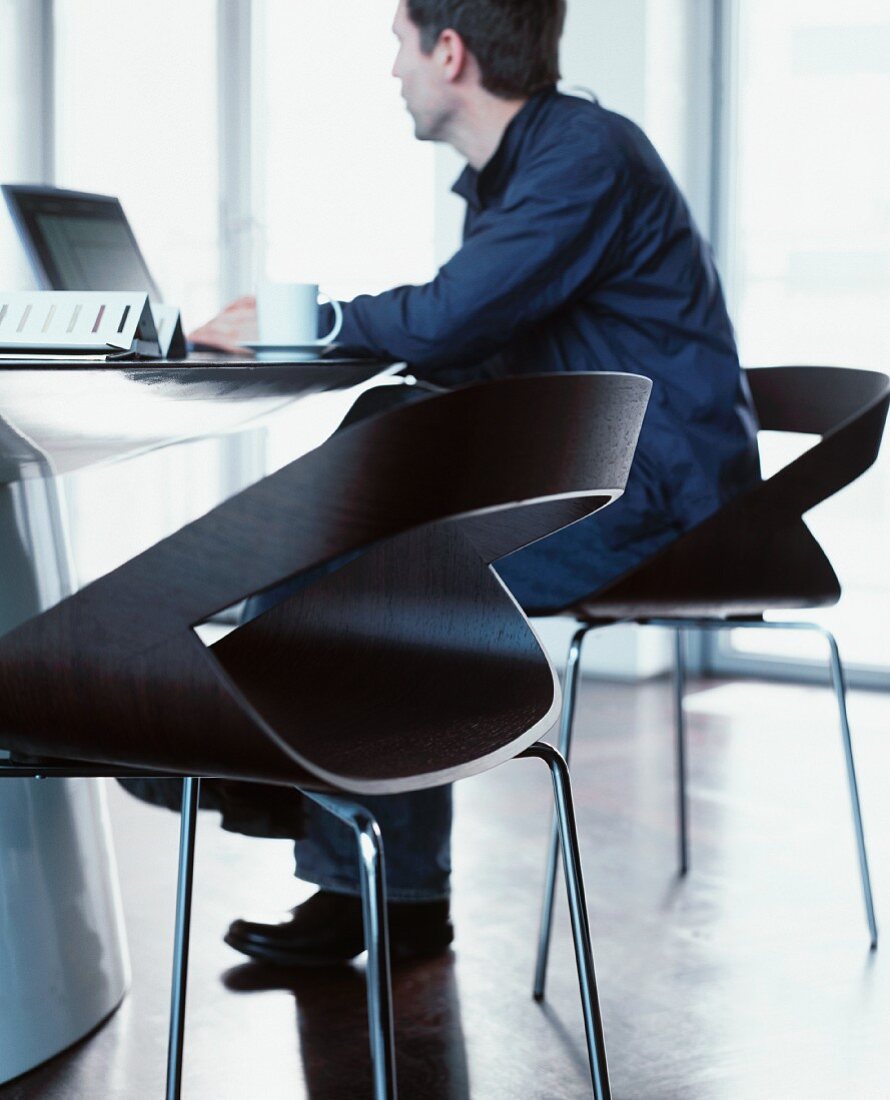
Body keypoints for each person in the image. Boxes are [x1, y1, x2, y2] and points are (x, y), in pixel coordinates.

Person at [182, 0, 761, 968]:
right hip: (597, 473)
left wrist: (314, 323)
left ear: (447, 52)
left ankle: (278, 763)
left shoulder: (583, 157)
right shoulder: (521, 175)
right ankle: (361, 858)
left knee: (386, 562)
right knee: (379, 479)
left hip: (658, 500)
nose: (392, 73)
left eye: (397, 48)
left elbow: (457, 318)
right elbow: (480, 351)